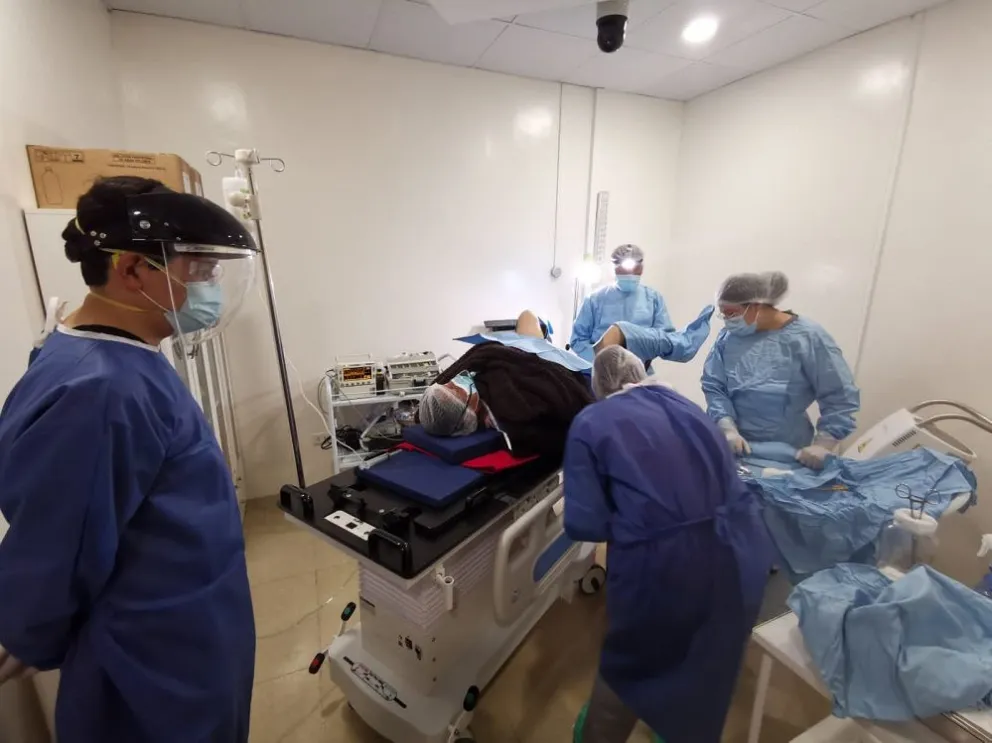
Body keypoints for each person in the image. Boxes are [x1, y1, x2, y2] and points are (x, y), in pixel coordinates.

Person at [0, 176, 257, 742]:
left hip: (189, 621)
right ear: (134, 270)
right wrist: (24, 632)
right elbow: (57, 544)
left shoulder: (117, 358)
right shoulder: (101, 388)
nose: (212, 284)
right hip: (154, 658)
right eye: (199, 268)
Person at [565, 346, 773, 743]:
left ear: (597, 386)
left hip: (669, 565)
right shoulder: (685, 404)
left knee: (635, 665)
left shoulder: (592, 421)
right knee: (710, 657)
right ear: (637, 372)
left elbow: (585, 523)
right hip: (745, 547)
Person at [701, 271, 860, 470]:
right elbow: (715, 386)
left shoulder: (807, 337)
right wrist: (726, 427)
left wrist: (824, 444)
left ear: (756, 306)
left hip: (787, 454)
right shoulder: (728, 338)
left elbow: (840, 395)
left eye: (731, 313)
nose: (726, 320)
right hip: (734, 448)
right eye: (723, 314)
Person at [419, 311, 595, 458]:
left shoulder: (469, 390)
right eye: (453, 388)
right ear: (468, 410)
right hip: (547, 363)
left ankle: (545, 341)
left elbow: (482, 357)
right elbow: (557, 403)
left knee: (527, 314)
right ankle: (547, 344)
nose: (453, 380)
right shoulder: (510, 412)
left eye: (446, 384)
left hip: (518, 349)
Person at [570, 244, 713, 367]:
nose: (629, 273)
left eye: (633, 269)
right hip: (600, 370)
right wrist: (602, 363)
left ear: (641, 269)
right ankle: (686, 342)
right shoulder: (595, 299)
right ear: (613, 268)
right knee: (621, 329)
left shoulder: (653, 298)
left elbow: (663, 340)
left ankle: (686, 342)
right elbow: (578, 340)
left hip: (639, 371)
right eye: (624, 269)